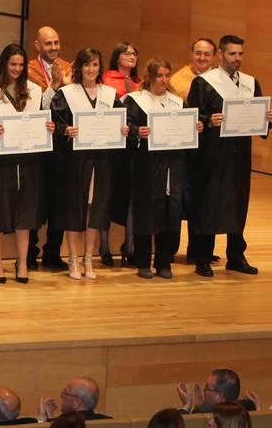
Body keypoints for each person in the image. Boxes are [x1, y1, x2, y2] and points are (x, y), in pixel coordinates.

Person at [186, 34, 269, 276]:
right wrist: (207, 120)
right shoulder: (204, 83)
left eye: (241, 54)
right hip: (212, 153)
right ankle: (202, 256)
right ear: (220, 55)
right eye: (233, 54)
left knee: (238, 200)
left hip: (240, 152)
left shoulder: (251, 83)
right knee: (209, 201)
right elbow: (192, 115)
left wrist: (266, 119)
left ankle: (236, 255)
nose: (237, 59)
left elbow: (257, 118)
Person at [0, 44, 53, 283]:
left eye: (20, 65)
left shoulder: (34, 92)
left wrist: (49, 128)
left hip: (28, 162)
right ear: (4, 65)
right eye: (12, 64)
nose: (17, 69)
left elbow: (42, 123)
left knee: (25, 215)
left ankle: (23, 263)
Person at [51, 47, 127, 280]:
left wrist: (123, 129)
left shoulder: (109, 95)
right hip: (76, 161)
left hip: (101, 162)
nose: (91, 69)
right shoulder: (66, 94)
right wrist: (66, 130)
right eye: (86, 65)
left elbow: (119, 122)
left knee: (97, 209)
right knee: (75, 208)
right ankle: (73, 258)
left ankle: (88, 259)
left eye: (95, 65)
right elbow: (55, 124)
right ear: (79, 68)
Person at [125, 57, 200, 279]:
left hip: (174, 165)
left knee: (171, 211)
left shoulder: (177, 102)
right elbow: (125, 127)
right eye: (159, 75)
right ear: (150, 77)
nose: (164, 80)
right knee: (147, 213)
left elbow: (188, 132)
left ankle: (164, 261)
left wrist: (195, 126)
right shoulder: (135, 100)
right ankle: (143, 262)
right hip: (147, 166)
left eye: (167, 75)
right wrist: (137, 131)